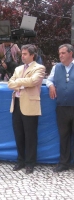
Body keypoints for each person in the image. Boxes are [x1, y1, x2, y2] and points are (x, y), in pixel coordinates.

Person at [8, 44, 45, 174]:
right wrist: (22, 83)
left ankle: (30, 163)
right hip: (16, 103)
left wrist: (19, 82)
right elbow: (10, 83)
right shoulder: (18, 68)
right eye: (22, 54)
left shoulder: (39, 68)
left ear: (32, 55)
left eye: (25, 54)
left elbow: (33, 81)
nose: (22, 56)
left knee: (30, 136)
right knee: (18, 134)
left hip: (30, 104)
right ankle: (20, 161)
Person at [46, 44, 74, 172]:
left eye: (63, 53)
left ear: (70, 53)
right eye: (59, 53)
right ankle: (64, 163)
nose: (60, 55)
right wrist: (51, 85)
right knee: (63, 136)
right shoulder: (56, 67)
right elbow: (48, 80)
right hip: (62, 107)